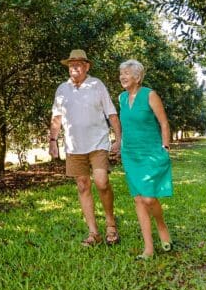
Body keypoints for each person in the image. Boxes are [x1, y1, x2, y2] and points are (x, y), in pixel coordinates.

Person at [48, 49, 122, 246]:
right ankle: (93, 233)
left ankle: (111, 224)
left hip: (98, 143)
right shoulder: (62, 89)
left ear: (87, 66)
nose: (75, 67)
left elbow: (111, 113)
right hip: (73, 146)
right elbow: (56, 118)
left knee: (101, 182)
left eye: (79, 63)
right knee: (82, 185)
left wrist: (118, 138)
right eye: (72, 64)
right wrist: (53, 141)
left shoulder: (97, 85)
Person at [118, 59, 173, 259]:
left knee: (149, 197)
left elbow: (164, 123)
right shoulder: (122, 98)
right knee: (139, 200)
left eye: (126, 73)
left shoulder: (150, 95)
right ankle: (148, 248)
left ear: (138, 77)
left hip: (150, 153)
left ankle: (161, 225)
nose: (122, 77)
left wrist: (165, 148)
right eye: (121, 73)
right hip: (130, 154)